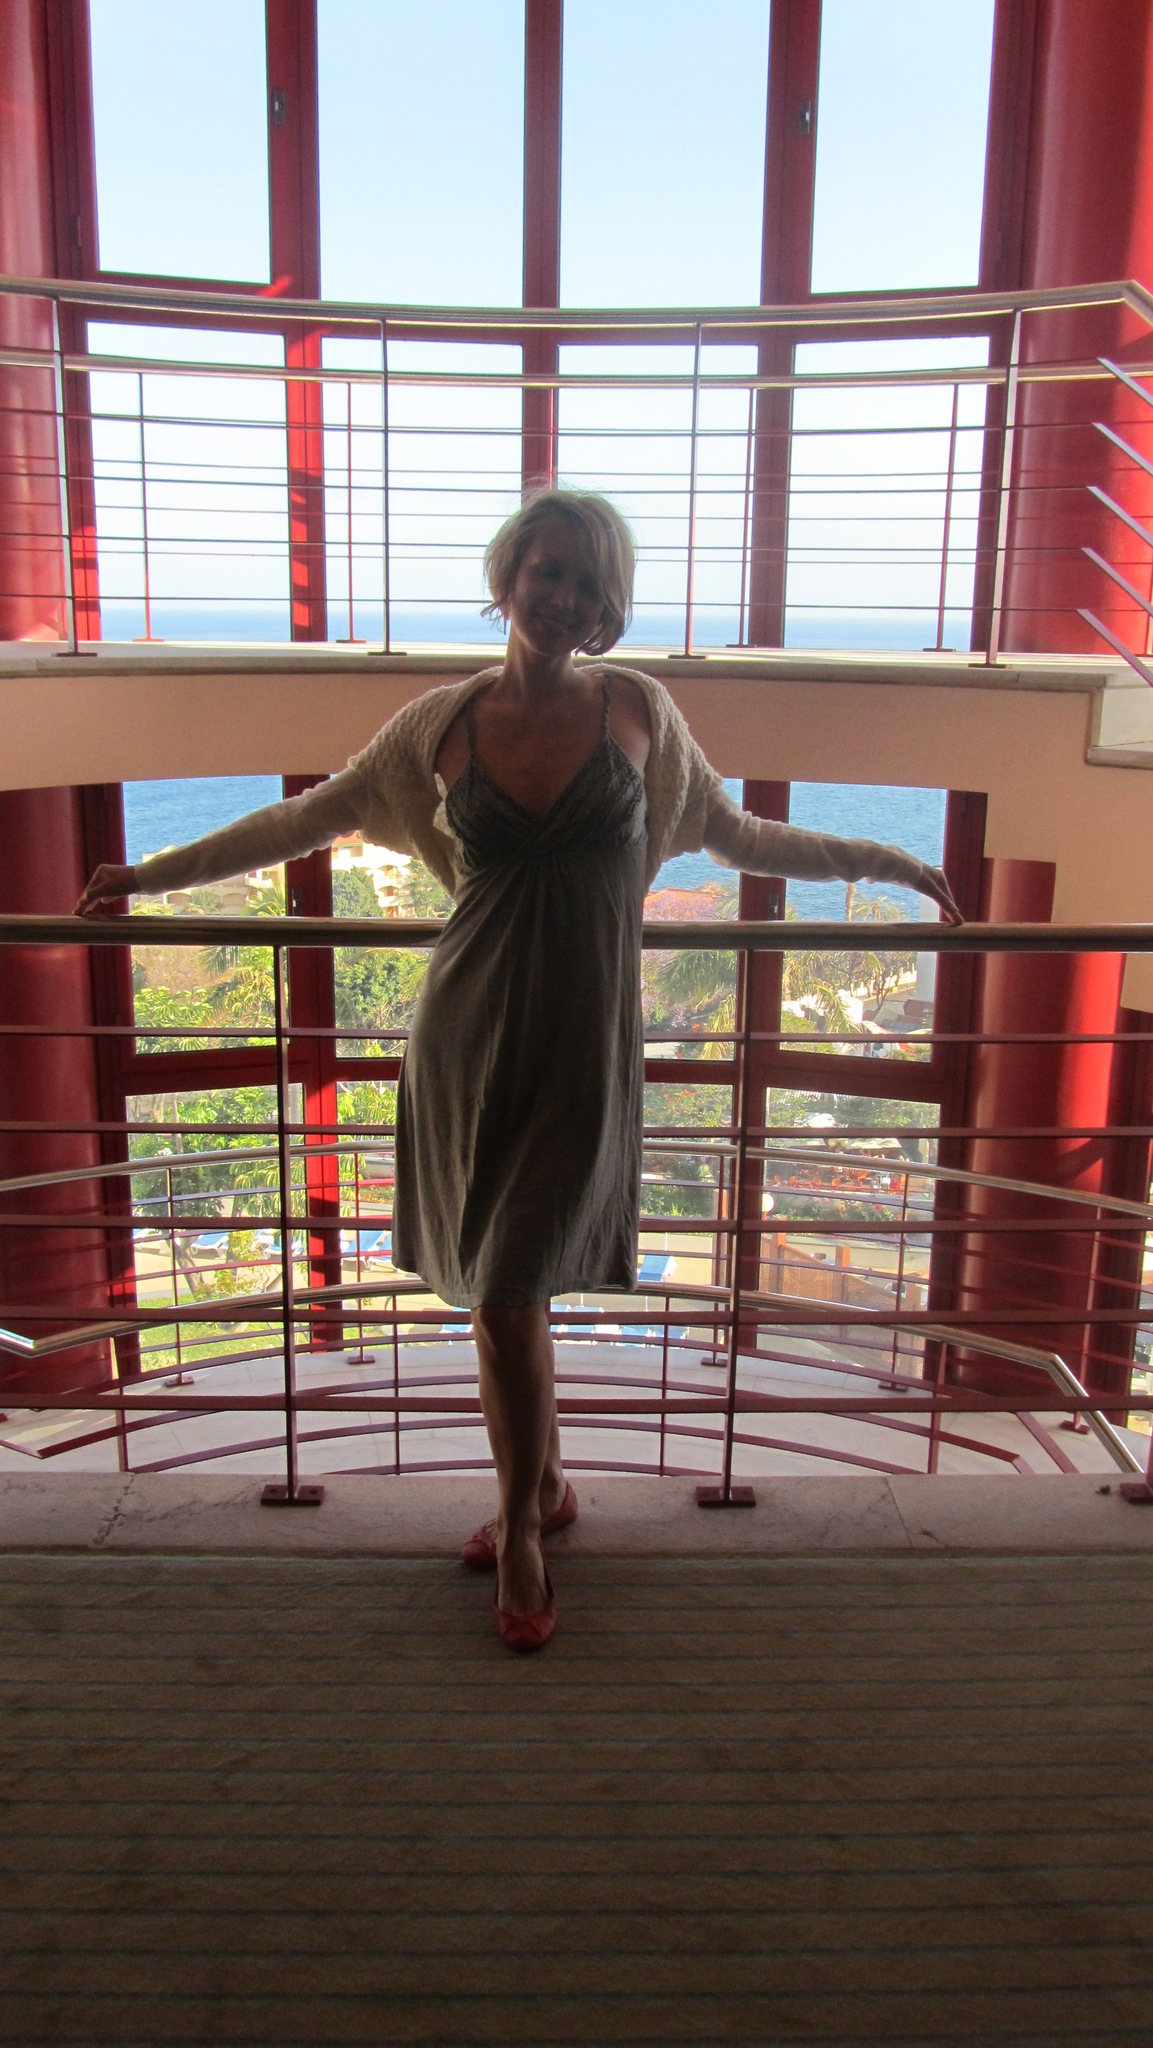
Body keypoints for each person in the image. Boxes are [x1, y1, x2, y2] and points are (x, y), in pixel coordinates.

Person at [78, 488, 962, 1651]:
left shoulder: (638, 709)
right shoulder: (437, 725)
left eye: (589, 583)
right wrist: (148, 874)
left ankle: (529, 1514)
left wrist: (887, 861)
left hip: (584, 1040)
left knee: (510, 1287)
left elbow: (740, 834)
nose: (565, 597)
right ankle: (533, 1497)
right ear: (508, 578)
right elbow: (305, 819)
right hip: (469, 1030)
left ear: (607, 607)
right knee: (506, 1291)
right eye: (548, 571)